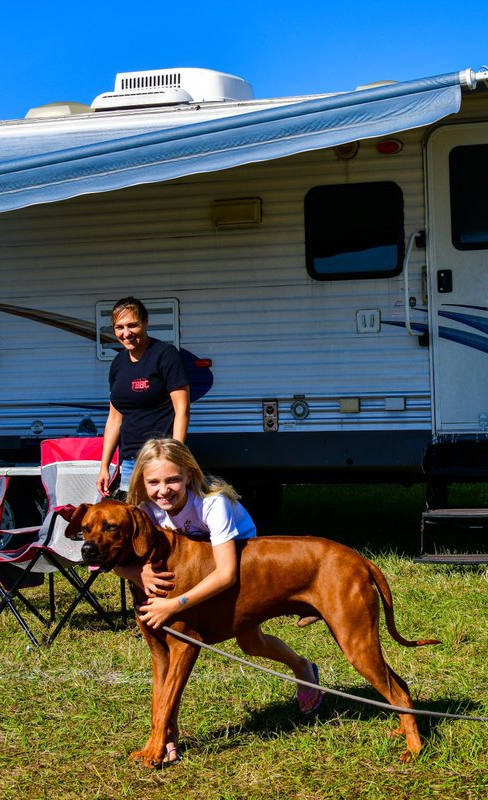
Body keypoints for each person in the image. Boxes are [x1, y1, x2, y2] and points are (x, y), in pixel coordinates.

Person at [116, 438, 322, 763]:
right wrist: (134, 574)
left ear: (188, 475)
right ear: (141, 481)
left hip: (239, 562)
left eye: (172, 480)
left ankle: (302, 667)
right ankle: (167, 737)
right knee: (176, 647)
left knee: (250, 642)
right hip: (189, 566)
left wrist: (174, 604)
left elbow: (226, 573)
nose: (163, 490)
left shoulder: (212, 503)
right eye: (153, 482)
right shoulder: (146, 511)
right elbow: (115, 553)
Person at [97, 297, 190, 498]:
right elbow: (114, 419)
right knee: (135, 523)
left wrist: (175, 457)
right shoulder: (118, 363)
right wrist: (105, 466)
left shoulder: (165, 355)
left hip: (160, 458)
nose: (126, 333)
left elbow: (181, 410)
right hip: (129, 460)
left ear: (146, 322)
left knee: (164, 522)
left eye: (133, 325)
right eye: (119, 327)